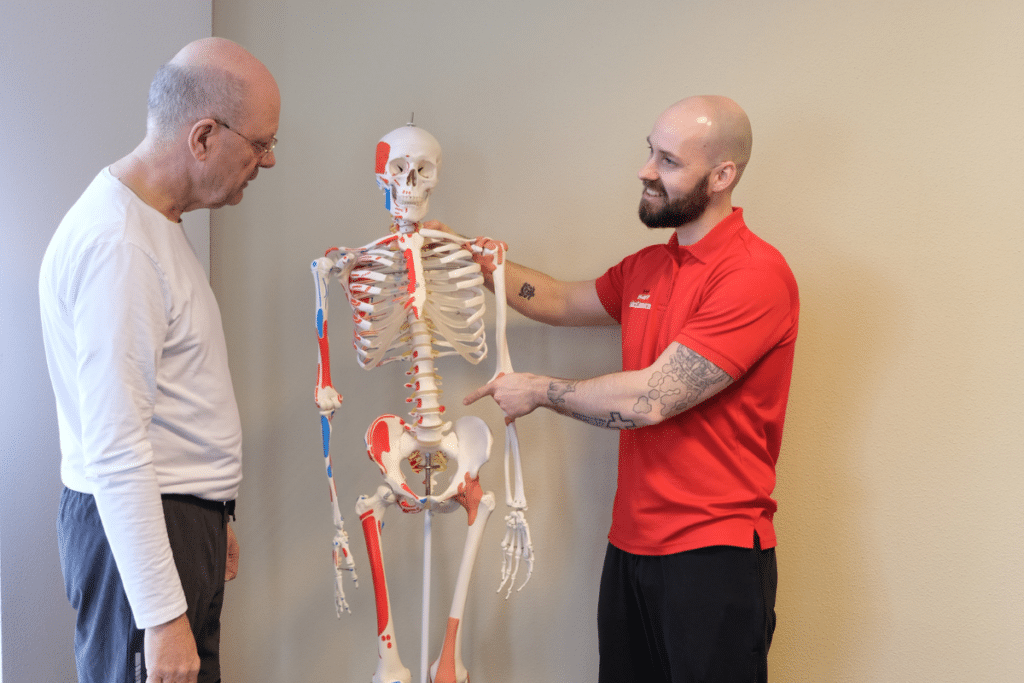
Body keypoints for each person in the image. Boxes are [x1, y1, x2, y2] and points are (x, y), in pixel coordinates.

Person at [455, 96, 798, 682]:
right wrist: (470, 259)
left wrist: (540, 390)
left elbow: (652, 399)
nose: (645, 170)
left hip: (713, 558)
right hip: (631, 550)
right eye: (649, 151)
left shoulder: (755, 274)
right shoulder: (647, 268)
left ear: (722, 177)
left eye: (667, 160)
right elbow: (560, 300)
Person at [39, 37, 280, 683]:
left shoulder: (154, 224)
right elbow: (115, 442)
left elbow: (175, 398)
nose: (268, 160)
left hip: (176, 521)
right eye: (259, 144)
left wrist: (214, 507)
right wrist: (162, 612)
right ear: (203, 136)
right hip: (146, 532)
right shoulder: (120, 245)